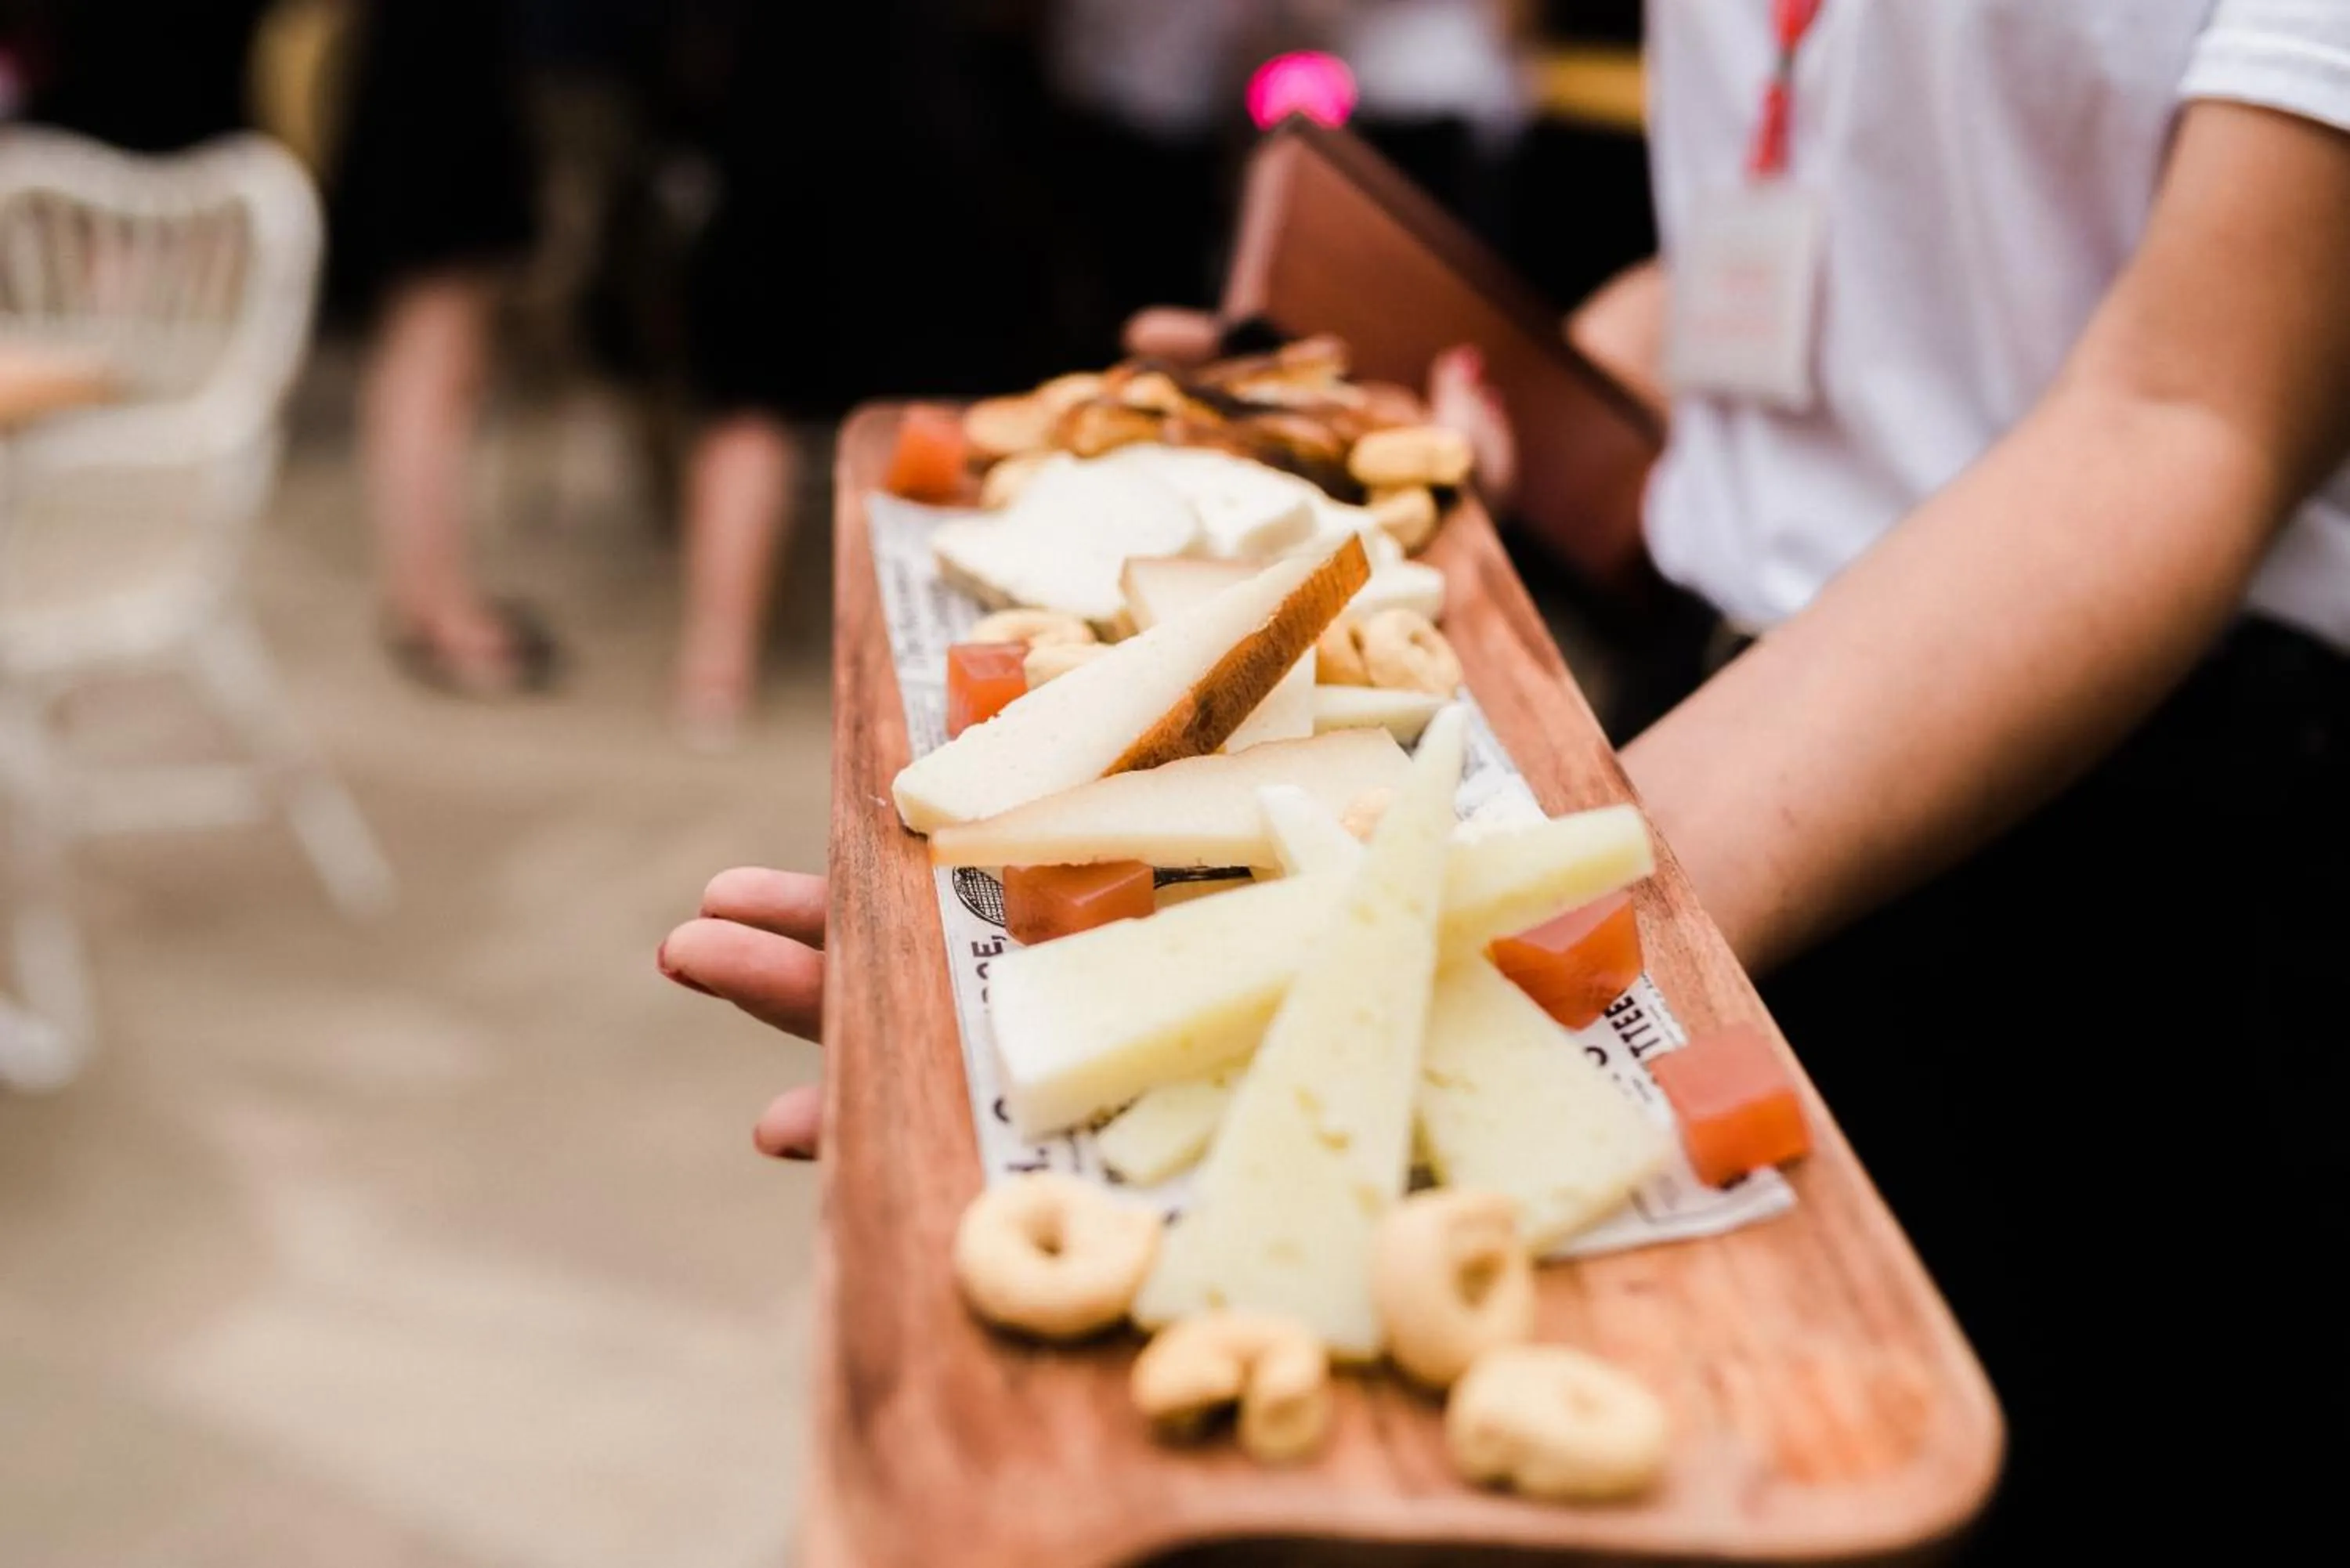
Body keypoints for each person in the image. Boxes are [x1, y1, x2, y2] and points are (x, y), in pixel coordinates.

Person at [664, 1, 2350, 1553]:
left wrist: (1406, 924)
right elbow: (1809, 257)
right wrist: (1455, 390)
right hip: (1697, 728)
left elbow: (2185, 409)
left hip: (2133, 860)